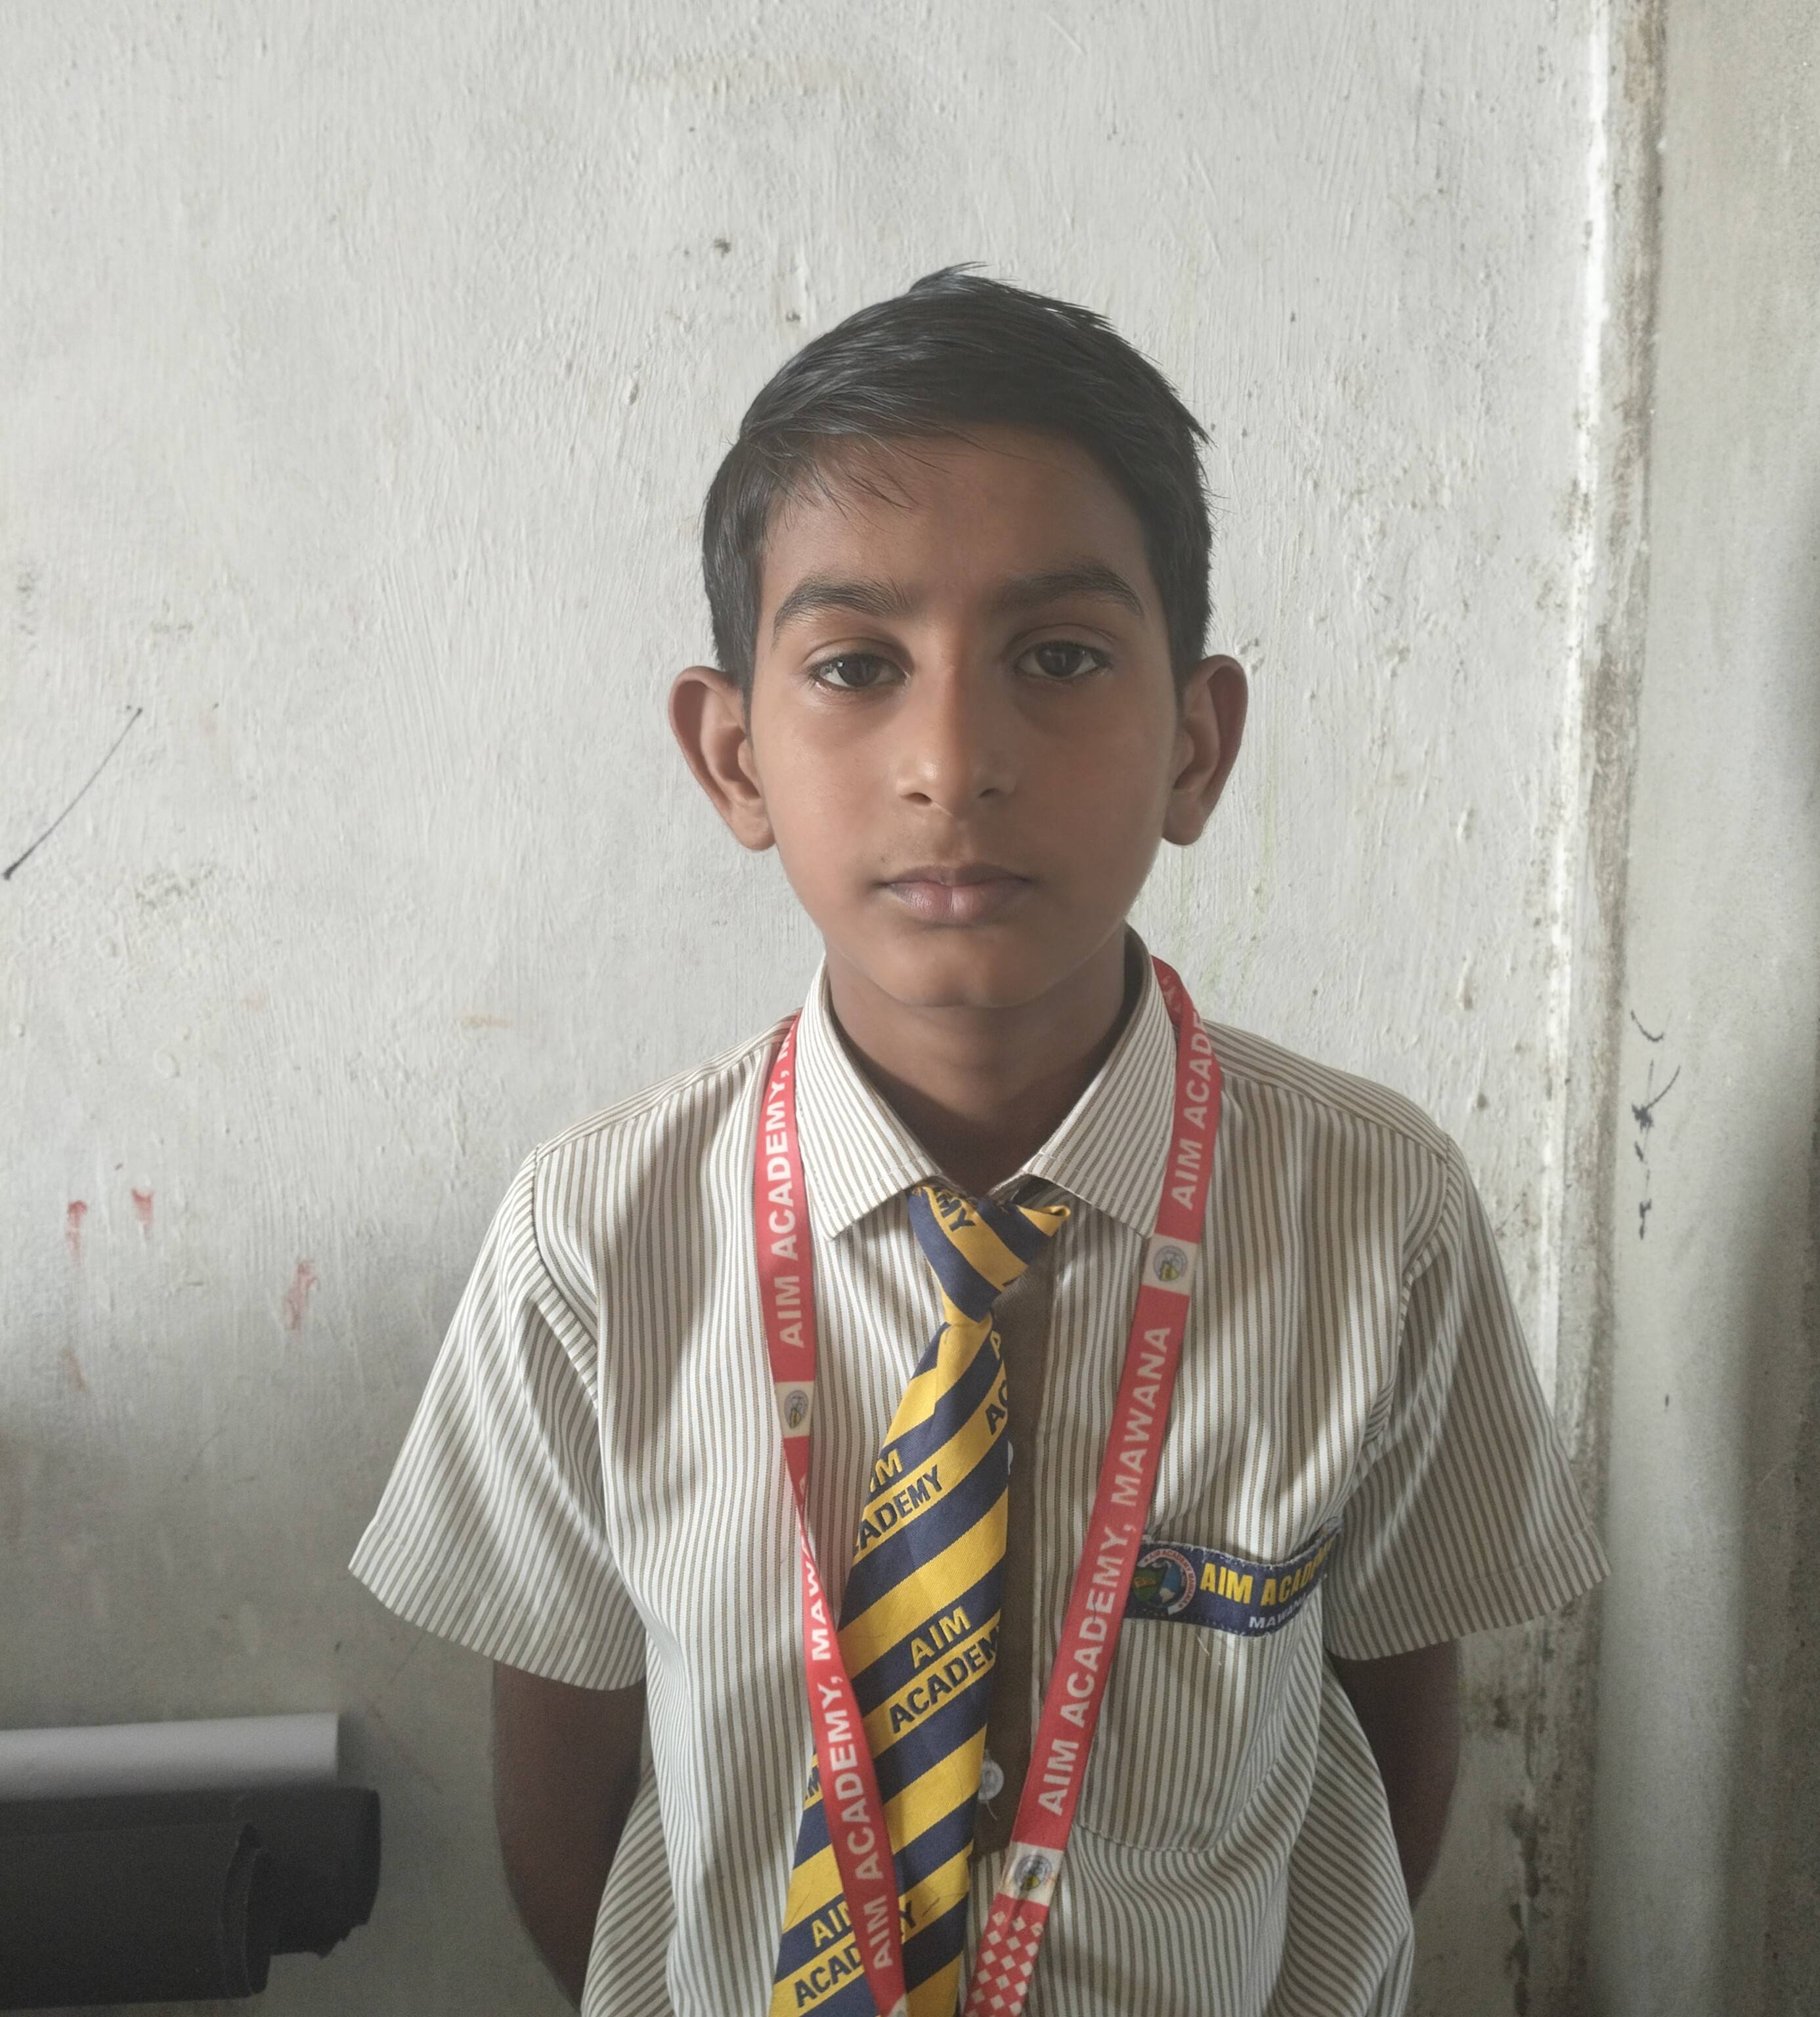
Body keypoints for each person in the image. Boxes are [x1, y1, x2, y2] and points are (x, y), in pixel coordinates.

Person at [349, 265, 1607, 2017]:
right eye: (856, 667)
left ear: (1197, 744)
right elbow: (565, 1814)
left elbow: (1394, 1750)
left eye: (1060, 658)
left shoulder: (1372, 1217)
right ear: (734, 758)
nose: (953, 759)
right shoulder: (597, 1239)